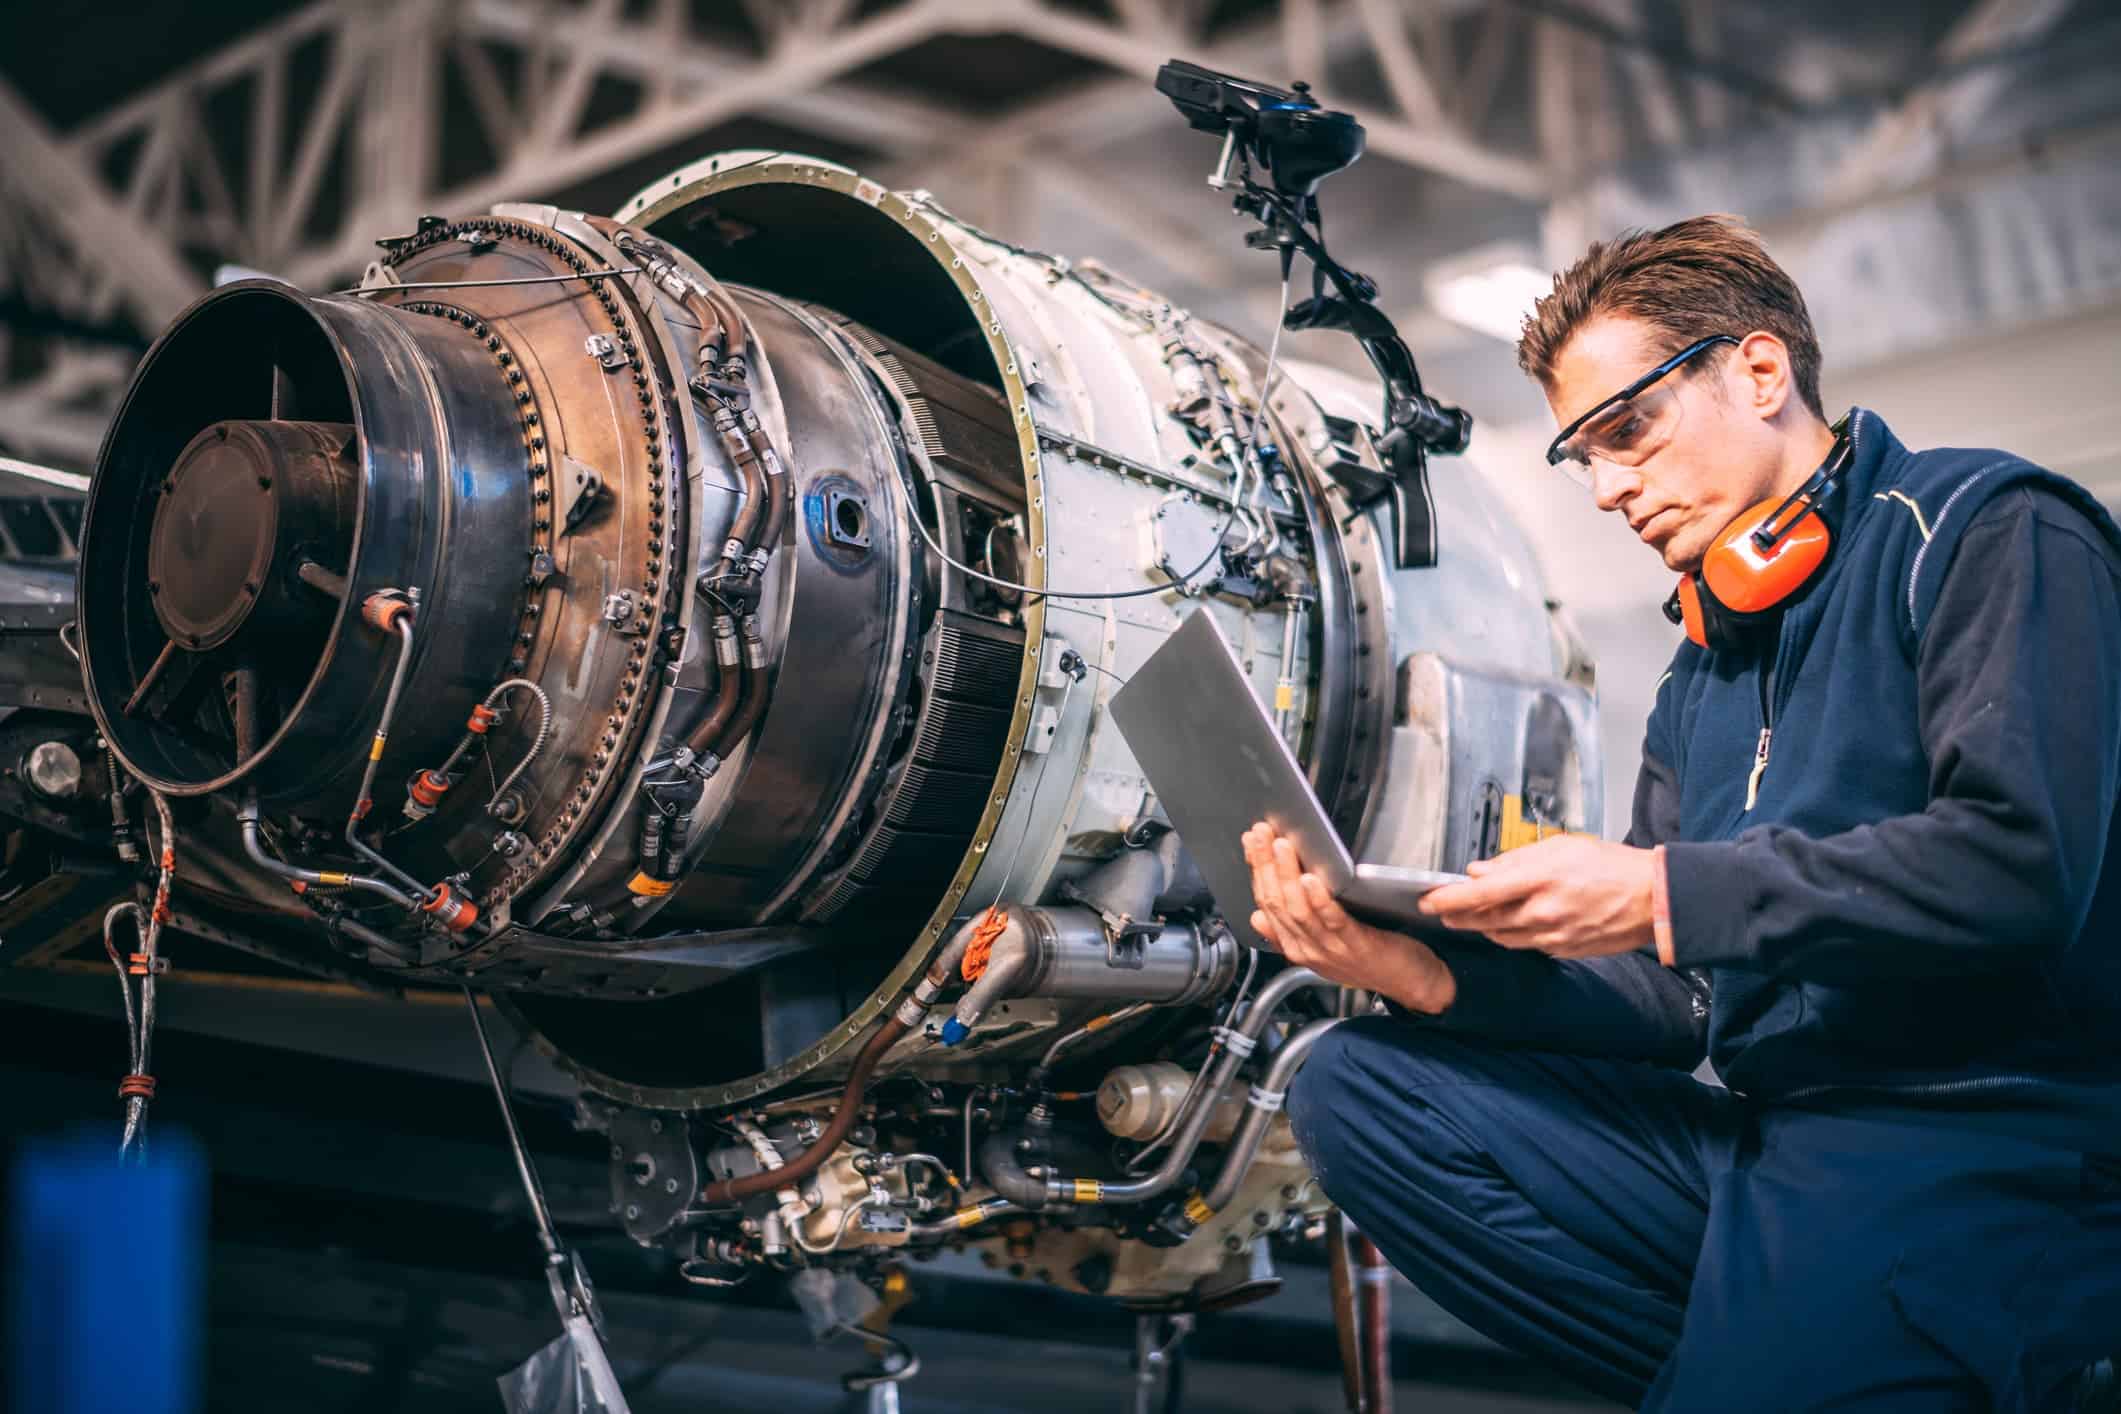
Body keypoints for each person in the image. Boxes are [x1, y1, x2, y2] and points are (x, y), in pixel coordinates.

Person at [1246, 215, 2121, 1411]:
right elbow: (1676, 1003)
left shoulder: (1988, 530)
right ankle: (1803, 1355)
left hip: (1994, 1141)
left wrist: (1659, 891)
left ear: (1760, 372)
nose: (1607, 488)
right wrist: (1415, 969)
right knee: (1357, 1088)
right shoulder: (1701, 670)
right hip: (1778, 1143)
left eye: (1627, 431)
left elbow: (2018, 867)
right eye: (1583, 456)